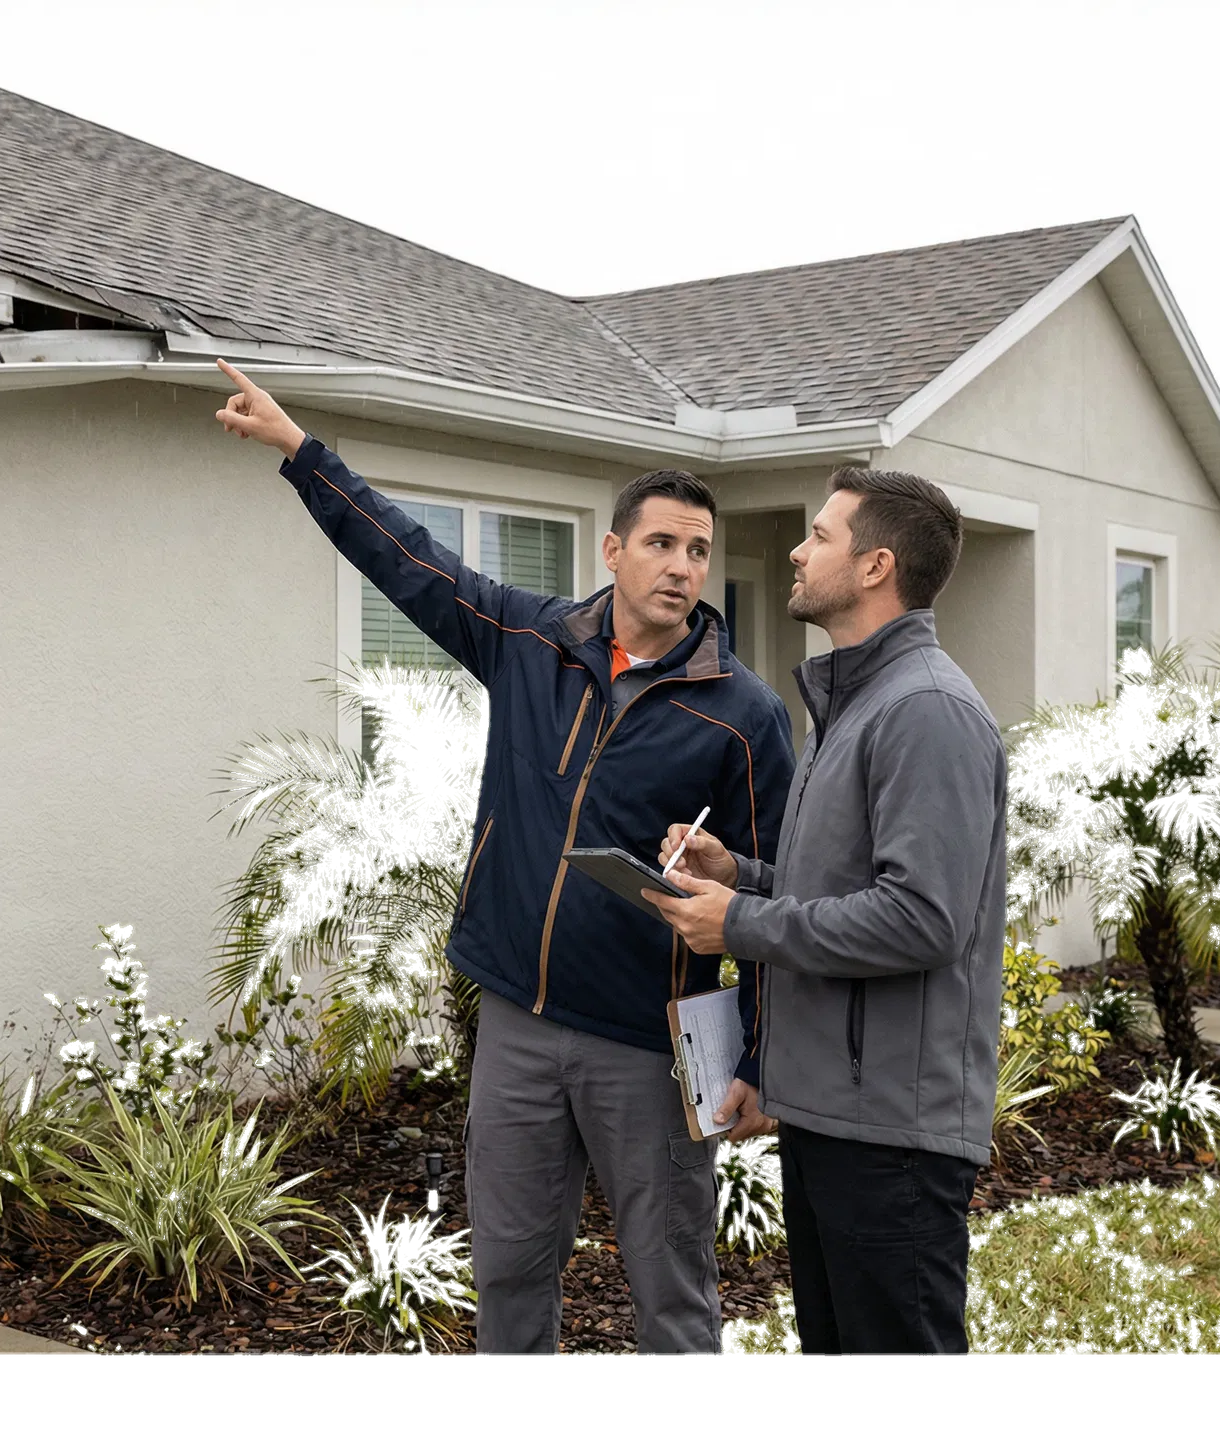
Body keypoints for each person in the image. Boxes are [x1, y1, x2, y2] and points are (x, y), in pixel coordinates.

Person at [210, 360, 793, 1359]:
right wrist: (300, 452)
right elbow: (410, 560)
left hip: (651, 1047)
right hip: (516, 1026)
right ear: (613, 550)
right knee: (510, 1269)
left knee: (673, 1292)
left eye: (698, 550)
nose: (682, 568)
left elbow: (788, 893)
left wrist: (755, 1050)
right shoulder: (531, 641)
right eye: (661, 543)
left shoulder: (744, 716)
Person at [645, 466, 1004, 1359]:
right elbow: (845, 892)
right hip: (832, 1117)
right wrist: (745, 875)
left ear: (876, 565)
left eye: (819, 536)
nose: (797, 553)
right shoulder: (853, 706)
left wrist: (740, 923)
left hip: (892, 1135)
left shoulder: (926, 711)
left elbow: (923, 919)